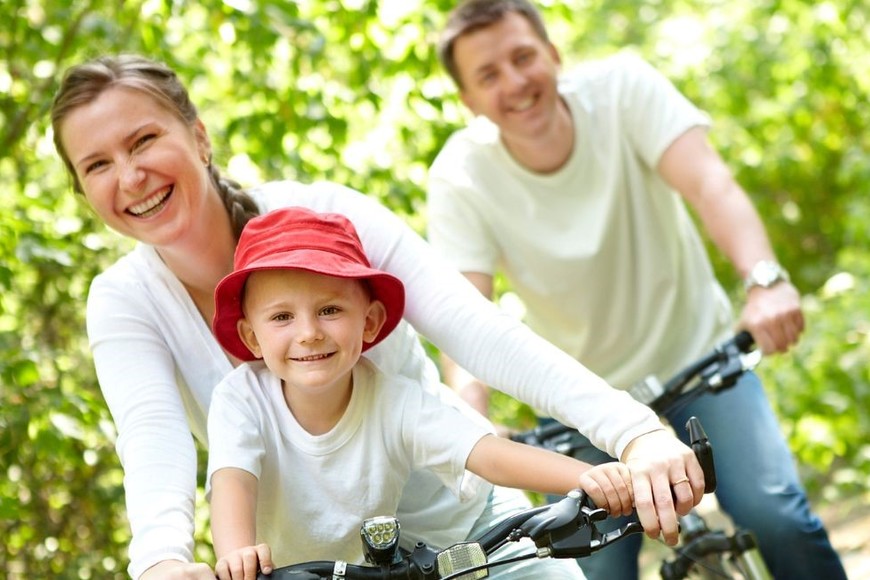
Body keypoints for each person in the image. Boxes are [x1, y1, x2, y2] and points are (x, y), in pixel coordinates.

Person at [51, 54, 705, 580]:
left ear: (199, 136)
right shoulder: (125, 301)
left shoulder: (328, 218)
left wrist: (633, 435)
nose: (130, 177)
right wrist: (163, 560)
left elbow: (476, 329)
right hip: (324, 568)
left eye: (144, 140)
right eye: (97, 165)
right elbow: (153, 437)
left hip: (472, 531)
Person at [426, 1, 847, 579]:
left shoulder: (623, 90)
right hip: (586, 405)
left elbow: (711, 185)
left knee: (777, 515)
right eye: (489, 75)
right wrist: (471, 419)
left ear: (553, 54)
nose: (515, 82)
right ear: (468, 100)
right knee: (591, 569)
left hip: (698, 358)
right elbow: (465, 317)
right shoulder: (461, 175)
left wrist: (765, 280)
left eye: (524, 57)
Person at [207, 206, 637, 579]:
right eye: (282, 317)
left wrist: (585, 477)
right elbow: (233, 481)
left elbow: (486, 454)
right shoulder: (242, 400)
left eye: (330, 310)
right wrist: (236, 554)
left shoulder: (392, 401)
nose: (308, 333)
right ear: (252, 337)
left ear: (370, 322)